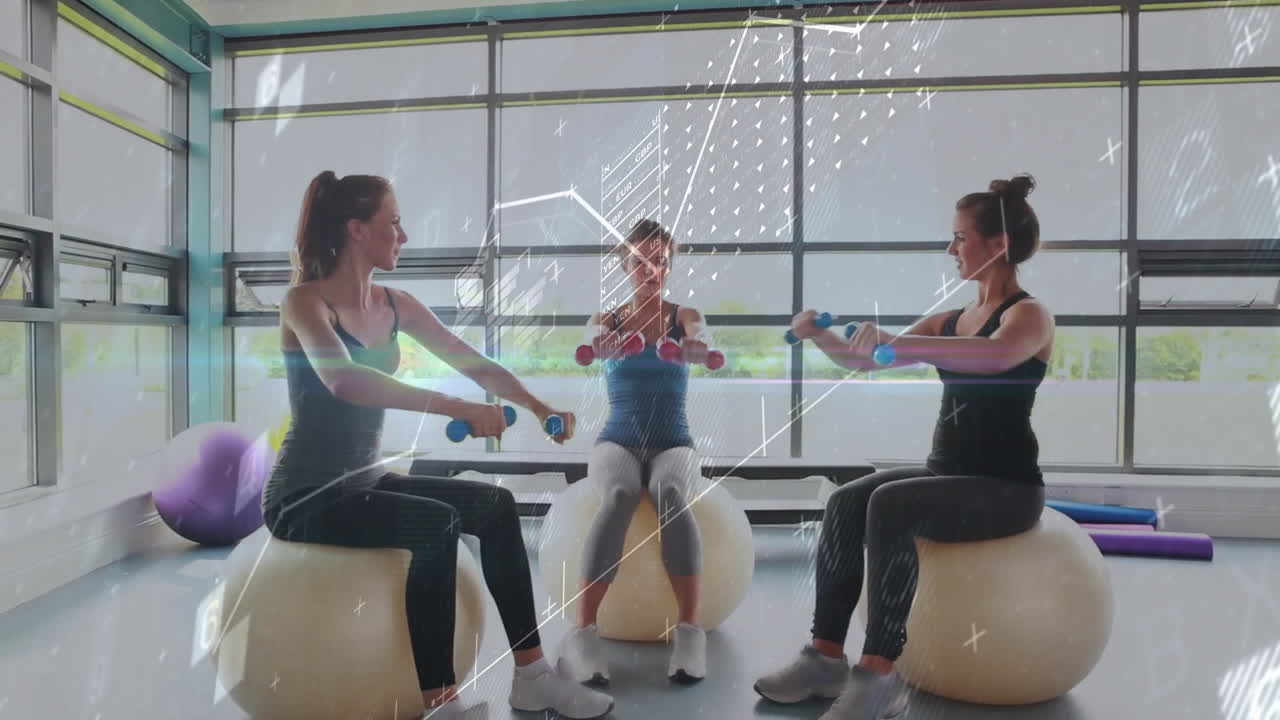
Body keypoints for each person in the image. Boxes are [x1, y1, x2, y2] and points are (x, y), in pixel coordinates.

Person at [261, 170, 614, 720]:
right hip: (305, 495)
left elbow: (473, 362)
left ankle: (533, 677)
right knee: (435, 524)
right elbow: (344, 380)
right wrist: (456, 408)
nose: (403, 235)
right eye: (394, 222)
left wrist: (537, 405)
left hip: (366, 480)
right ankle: (442, 706)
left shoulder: (395, 304)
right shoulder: (304, 302)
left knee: (496, 506)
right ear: (356, 229)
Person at [754, 174, 1053, 719]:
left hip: (1006, 489)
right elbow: (866, 360)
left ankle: (879, 675)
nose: (951, 249)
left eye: (960, 237)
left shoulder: (1027, 315)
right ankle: (825, 658)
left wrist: (902, 341)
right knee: (846, 501)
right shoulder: (953, 319)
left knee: (891, 505)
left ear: (998, 244)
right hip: (947, 473)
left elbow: (994, 357)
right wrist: (820, 335)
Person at [557, 218, 715, 686]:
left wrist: (696, 346)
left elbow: (701, 334)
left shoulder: (683, 316)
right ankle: (584, 633)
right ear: (625, 265)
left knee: (670, 491)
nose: (652, 269)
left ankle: (690, 633)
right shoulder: (609, 319)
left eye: (660, 261)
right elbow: (589, 339)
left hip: (674, 441)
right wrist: (598, 345)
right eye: (641, 261)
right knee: (621, 493)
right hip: (617, 440)